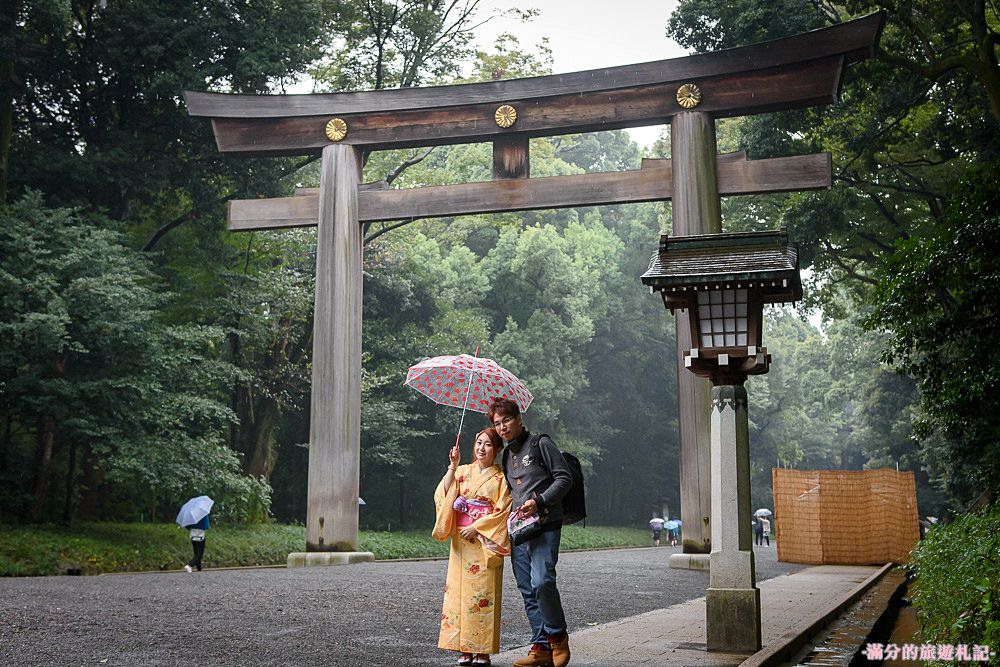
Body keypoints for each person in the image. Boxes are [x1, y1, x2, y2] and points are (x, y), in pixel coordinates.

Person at [489, 397, 573, 667]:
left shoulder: (541, 444)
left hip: (545, 524)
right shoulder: (506, 455)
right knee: (527, 589)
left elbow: (564, 478)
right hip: (520, 531)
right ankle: (541, 648)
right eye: (497, 423)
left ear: (518, 418)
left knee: (542, 581)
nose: (502, 427)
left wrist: (539, 501)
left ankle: (558, 638)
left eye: (506, 420)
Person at [433, 427, 512, 667]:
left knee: (482, 597)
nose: (481, 448)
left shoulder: (500, 478)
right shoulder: (463, 471)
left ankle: (482, 651)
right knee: (459, 595)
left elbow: (503, 510)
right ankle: (463, 648)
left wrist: (477, 527)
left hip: (484, 544)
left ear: (497, 450)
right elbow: (445, 494)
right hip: (461, 544)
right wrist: (452, 466)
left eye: (488, 444)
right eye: (478, 443)